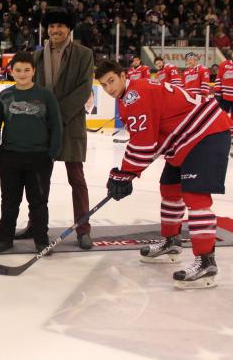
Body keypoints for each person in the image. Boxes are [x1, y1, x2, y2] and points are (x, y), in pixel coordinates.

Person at [97, 59, 230, 289]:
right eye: (104, 84)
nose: (109, 89)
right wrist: (126, 173)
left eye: (111, 81)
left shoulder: (134, 95)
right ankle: (171, 241)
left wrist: (126, 172)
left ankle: (206, 261)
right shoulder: (129, 96)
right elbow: (153, 141)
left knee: (196, 199)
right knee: (169, 189)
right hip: (184, 138)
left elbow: (144, 144)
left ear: (123, 75)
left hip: (205, 134)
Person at [14, 7, 95, 250]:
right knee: (39, 181)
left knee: (76, 178)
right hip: (43, 126)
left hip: (70, 125)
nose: (55, 30)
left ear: (69, 28)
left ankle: (83, 229)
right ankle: (36, 225)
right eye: (51, 26)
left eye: (60, 25)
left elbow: (83, 88)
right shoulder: (37, 56)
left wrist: (57, 114)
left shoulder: (84, 54)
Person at [0, 51, 62, 253]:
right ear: (11, 71)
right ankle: (5, 239)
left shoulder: (45, 95)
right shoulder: (5, 96)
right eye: (18, 70)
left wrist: (52, 152)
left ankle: (41, 240)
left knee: (38, 201)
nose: (22, 74)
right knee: (9, 200)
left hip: (39, 157)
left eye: (27, 70)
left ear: (34, 71)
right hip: (10, 156)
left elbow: (56, 124)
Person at [213, 54, 233, 157]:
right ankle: (222, 140)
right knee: (222, 119)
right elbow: (218, 78)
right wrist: (218, 93)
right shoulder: (224, 65)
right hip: (225, 97)